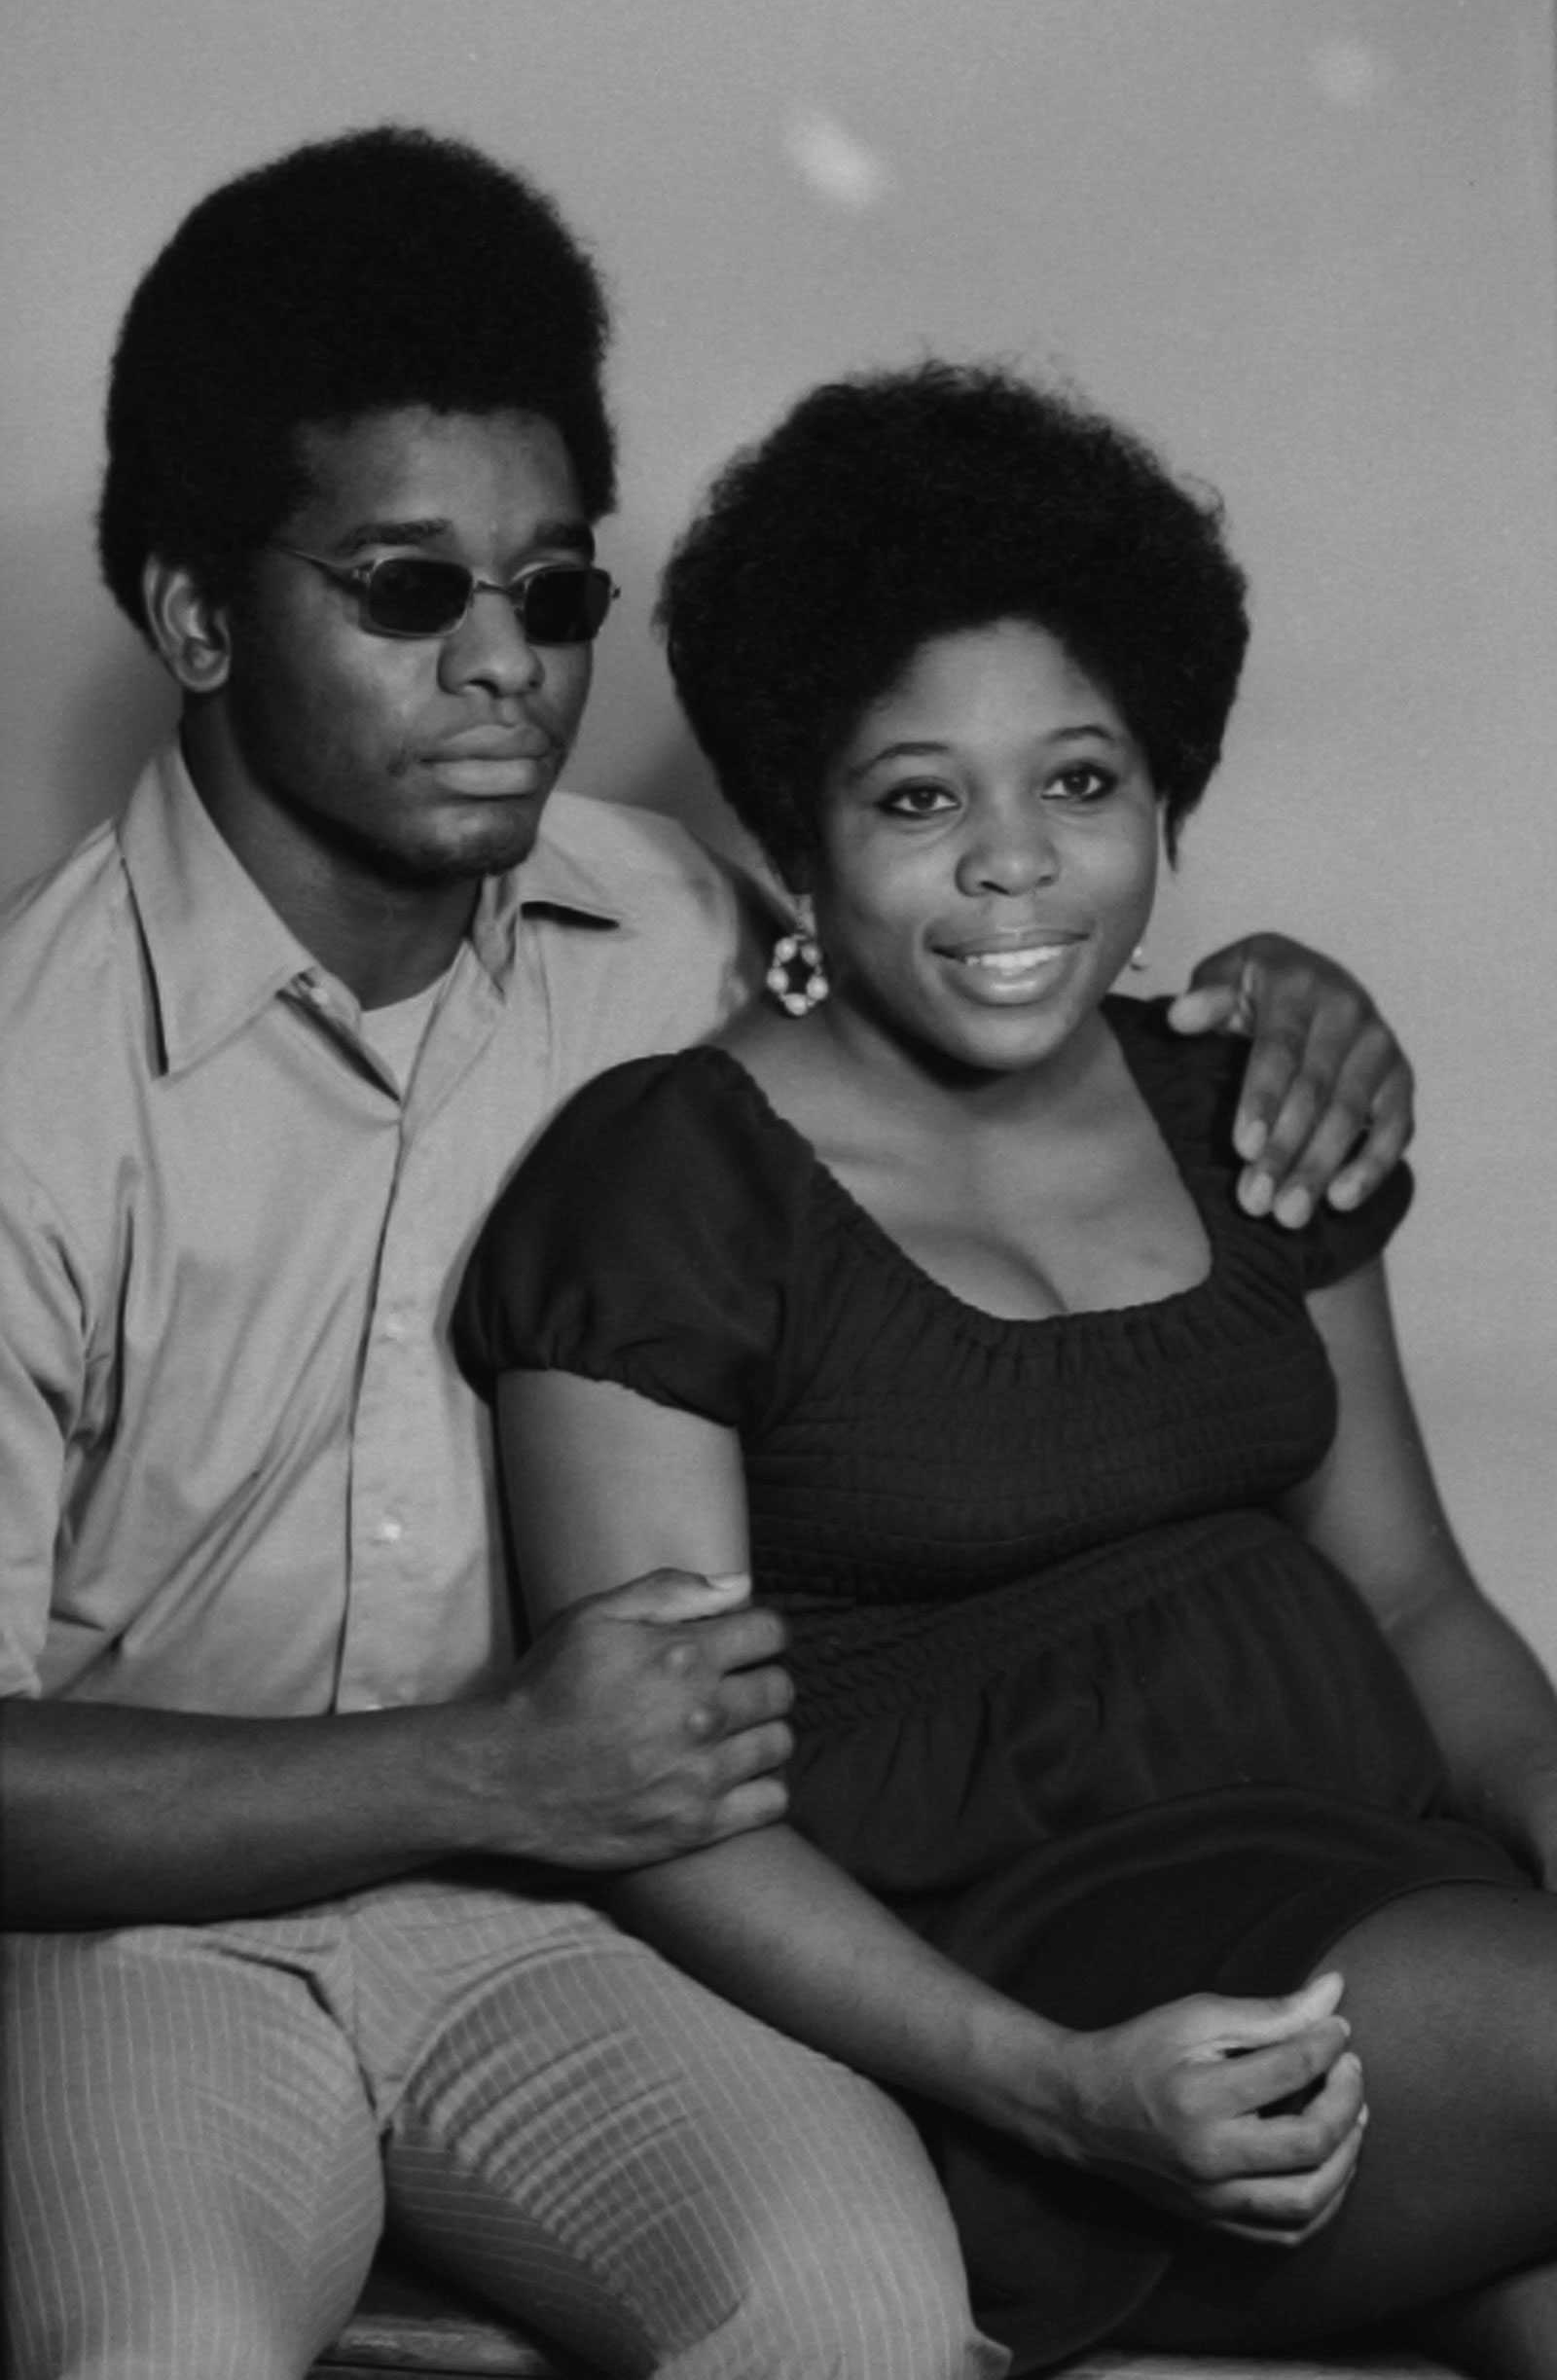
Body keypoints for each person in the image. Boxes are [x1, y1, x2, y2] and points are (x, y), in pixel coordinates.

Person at [0, 125, 1415, 2380]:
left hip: (584, 1930)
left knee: (858, 2315)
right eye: (402, 591)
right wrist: (481, 1768)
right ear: (189, 613)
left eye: (553, 595)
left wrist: (1276, 1004)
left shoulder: (669, 922)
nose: (504, 671)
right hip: (149, 1945)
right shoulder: (24, 1089)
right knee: (155, 2343)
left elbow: (978, 984)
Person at [453, 362, 1557, 2379]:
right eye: (912, 797)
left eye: (1077, 779)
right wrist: (1046, 2084)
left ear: (1161, 795)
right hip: (1047, 2015)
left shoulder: (1249, 1100)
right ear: (794, 839)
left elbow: (1411, 1597)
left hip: (1390, 1879)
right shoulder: (668, 1175)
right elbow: (657, 1798)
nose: (1010, 866)